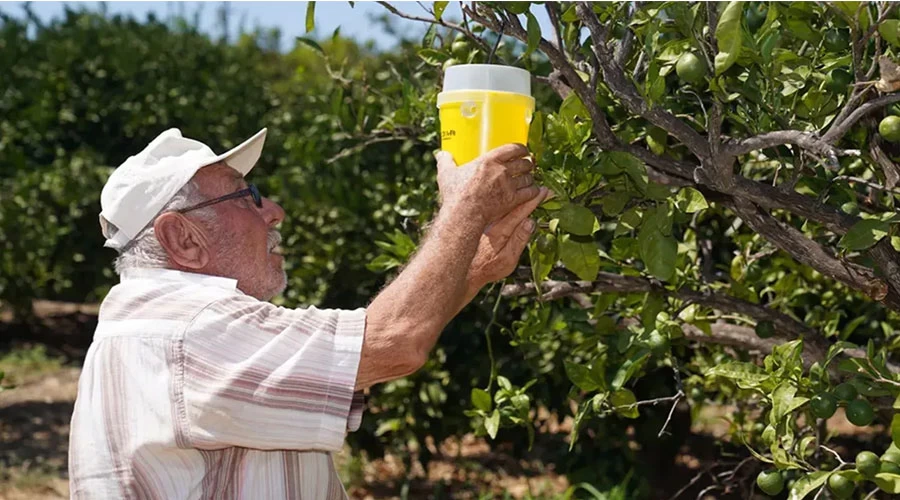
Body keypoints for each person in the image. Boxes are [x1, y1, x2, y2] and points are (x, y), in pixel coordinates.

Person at [68, 127, 547, 499]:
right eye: (245, 195)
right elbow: (391, 343)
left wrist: (477, 267)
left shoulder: (157, 322)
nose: (273, 209)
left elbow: (368, 355)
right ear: (182, 239)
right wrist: (463, 208)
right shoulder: (190, 329)